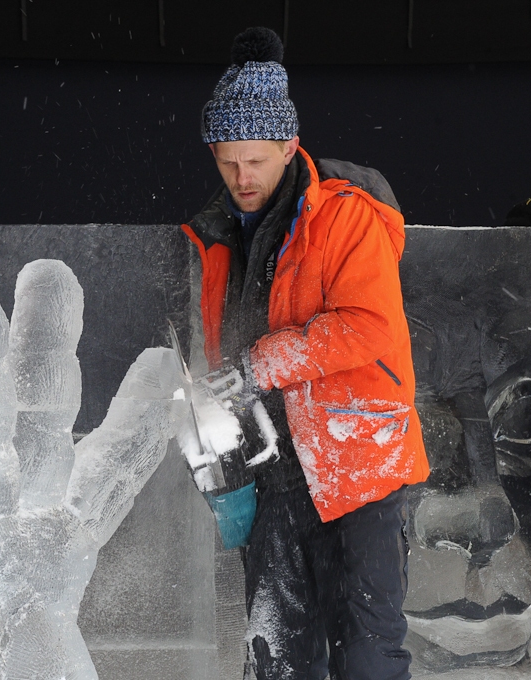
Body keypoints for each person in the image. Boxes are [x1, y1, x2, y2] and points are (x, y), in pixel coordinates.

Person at [181, 27, 430, 680]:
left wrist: (256, 366)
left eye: (256, 160)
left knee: (367, 654)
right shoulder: (212, 239)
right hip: (274, 474)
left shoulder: (346, 217)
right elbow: (215, 358)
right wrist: (227, 475)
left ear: (289, 145)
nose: (242, 177)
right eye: (228, 161)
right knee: (277, 657)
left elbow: (368, 327)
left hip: (359, 462)